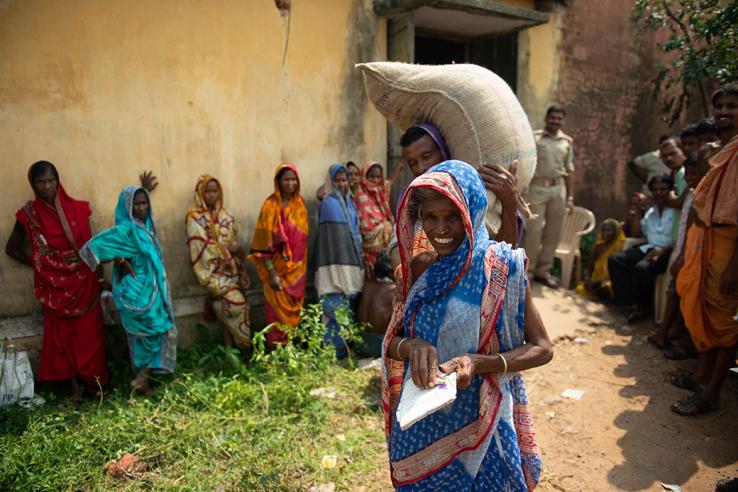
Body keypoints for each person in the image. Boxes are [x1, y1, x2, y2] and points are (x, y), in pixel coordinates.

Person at [382, 160, 552, 489]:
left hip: (483, 417)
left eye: (452, 217)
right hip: (423, 419)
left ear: (471, 213)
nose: (441, 229)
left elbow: (543, 348)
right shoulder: (421, 269)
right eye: (431, 217)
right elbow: (393, 339)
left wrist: (478, 362)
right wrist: (412, 346)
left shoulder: (502, 269)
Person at [5, 161, 109, 403]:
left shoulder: (79, 210)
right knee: (63, 338)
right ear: (33, 184)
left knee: (90, 335)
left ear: (58, 180)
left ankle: (94, 384)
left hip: (84, 283)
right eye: (41, 182)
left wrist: (101, 276)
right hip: (55, 289)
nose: (47, 186)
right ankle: (74, 388)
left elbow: (91, 246)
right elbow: (11, 248)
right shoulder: (28, 216)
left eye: (51, 180)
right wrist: (43, 266)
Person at [672, 82, 738, 416]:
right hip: (706, 238)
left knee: (724, 320)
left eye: (732, 106)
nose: (725, 112)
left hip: (730, 245)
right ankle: (701, 376)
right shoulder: (718, 150)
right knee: (699, 304)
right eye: (720, 106)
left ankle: (712, 392)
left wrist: (734, 266)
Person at [79, 174, 176, 395]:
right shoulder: (125, 230)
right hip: (135, 290)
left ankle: (142, 379)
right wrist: (116, 263)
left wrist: (144, 189)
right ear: (127, 207)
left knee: (157, 332)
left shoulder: (145, 226)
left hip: (151, 289)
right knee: (152, 332)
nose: (141, 208)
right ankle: (142, 378)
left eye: (144, 203)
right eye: (136, 204)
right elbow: (92, 249)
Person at [389, 124, 521, 275]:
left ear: (443, 151)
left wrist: (510, 204)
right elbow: (398, 240)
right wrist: (402, 274)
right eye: (413, 163)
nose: (421, 167)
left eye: (426, 156)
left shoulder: (470, 194)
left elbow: (501, 261)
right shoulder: (412, 196)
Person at [648, 152, 709, 354]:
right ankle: (666, 334)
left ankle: (679, 339)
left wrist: (681, 254)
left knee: (682, 293)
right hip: (683, 248)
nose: (690, 178)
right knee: (676, 291)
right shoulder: (691, 193)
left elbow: (694, 228)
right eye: (687, 175)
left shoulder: (702, 194)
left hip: (691, 252)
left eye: (694, 173)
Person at [185, 175, 251, 349]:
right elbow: (200, 247)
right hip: (211, 273)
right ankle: (243, 343)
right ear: (200, 192)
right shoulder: (194, 218)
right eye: (207, 191)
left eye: (214, 191)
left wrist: (235, 250)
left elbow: (235, 242)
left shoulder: (226, 214)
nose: (211, 195)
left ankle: (230, 349)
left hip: (232, 270)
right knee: (236, 305)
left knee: (226, 307)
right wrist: (228, 249)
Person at [248, 163, 308, 348]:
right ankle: (274, 352)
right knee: (274, 314)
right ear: (278, 182)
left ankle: (289, 350)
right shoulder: (269, 206)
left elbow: (302, 241)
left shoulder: (300, 205)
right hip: (276, 271)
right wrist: (272, 273)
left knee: (294, 314)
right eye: (286, 179)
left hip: (297, 272)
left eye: (293, 179)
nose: (290, 183)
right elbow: (262, 244)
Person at [608, 175, 675, 323]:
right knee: (616, 260)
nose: (659, 193)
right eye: (655, 190)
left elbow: (680, 239)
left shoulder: (676, 212)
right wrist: (636, 211)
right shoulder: (651, 212)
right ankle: (627, 303)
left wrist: (662, 251)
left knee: (642, 268)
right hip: (649, 247)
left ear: (671, 190)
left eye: (663, 189)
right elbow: (637, 234)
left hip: (668, 251)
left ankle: (643, 307)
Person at [315, 164, 364, 358]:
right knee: (333, 302)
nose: (342, 184)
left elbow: (354, 232)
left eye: (344, 180)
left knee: (348, 302)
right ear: (331, 182)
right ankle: (332, 351)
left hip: (350, 261)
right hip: (332, 262)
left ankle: (345, 348)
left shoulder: (350, 202)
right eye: (338, 180)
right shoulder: (328, 203)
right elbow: (331, 237)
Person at [524, 104, 575, 289]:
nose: (555, 121)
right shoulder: (535, 138)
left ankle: (543, 271)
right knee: (534, 231)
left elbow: (569, 171)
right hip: (537, 189)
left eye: (559, 118)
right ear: (546, 119)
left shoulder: (567, 142)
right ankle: (528, 271)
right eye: (552, 117)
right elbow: (527, 164)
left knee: (553, 232)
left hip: (558, 189)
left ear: (563, 120)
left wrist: (570, 197)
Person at [354, 160, 401, 276]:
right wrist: (384, 228)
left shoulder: (380, 190)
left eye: (378, 177)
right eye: (371, 177)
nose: (375, 180)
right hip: (369, 249)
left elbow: (390, 181)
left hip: (385, 247)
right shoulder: (359, 194)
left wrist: (400, 165)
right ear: (364, 176)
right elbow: (364, 226)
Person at [575, 219, 625, 300]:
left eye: (609, 230)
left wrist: (598, 281)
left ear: (615, 232)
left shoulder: (619, 246)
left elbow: (614, 273)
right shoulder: (599, 244)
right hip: (595, 277)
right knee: (581, 290)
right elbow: (591, 263)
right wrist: (587, 277)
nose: (606, 233)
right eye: (604, 230)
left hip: (608, 280)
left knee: (606, 287)